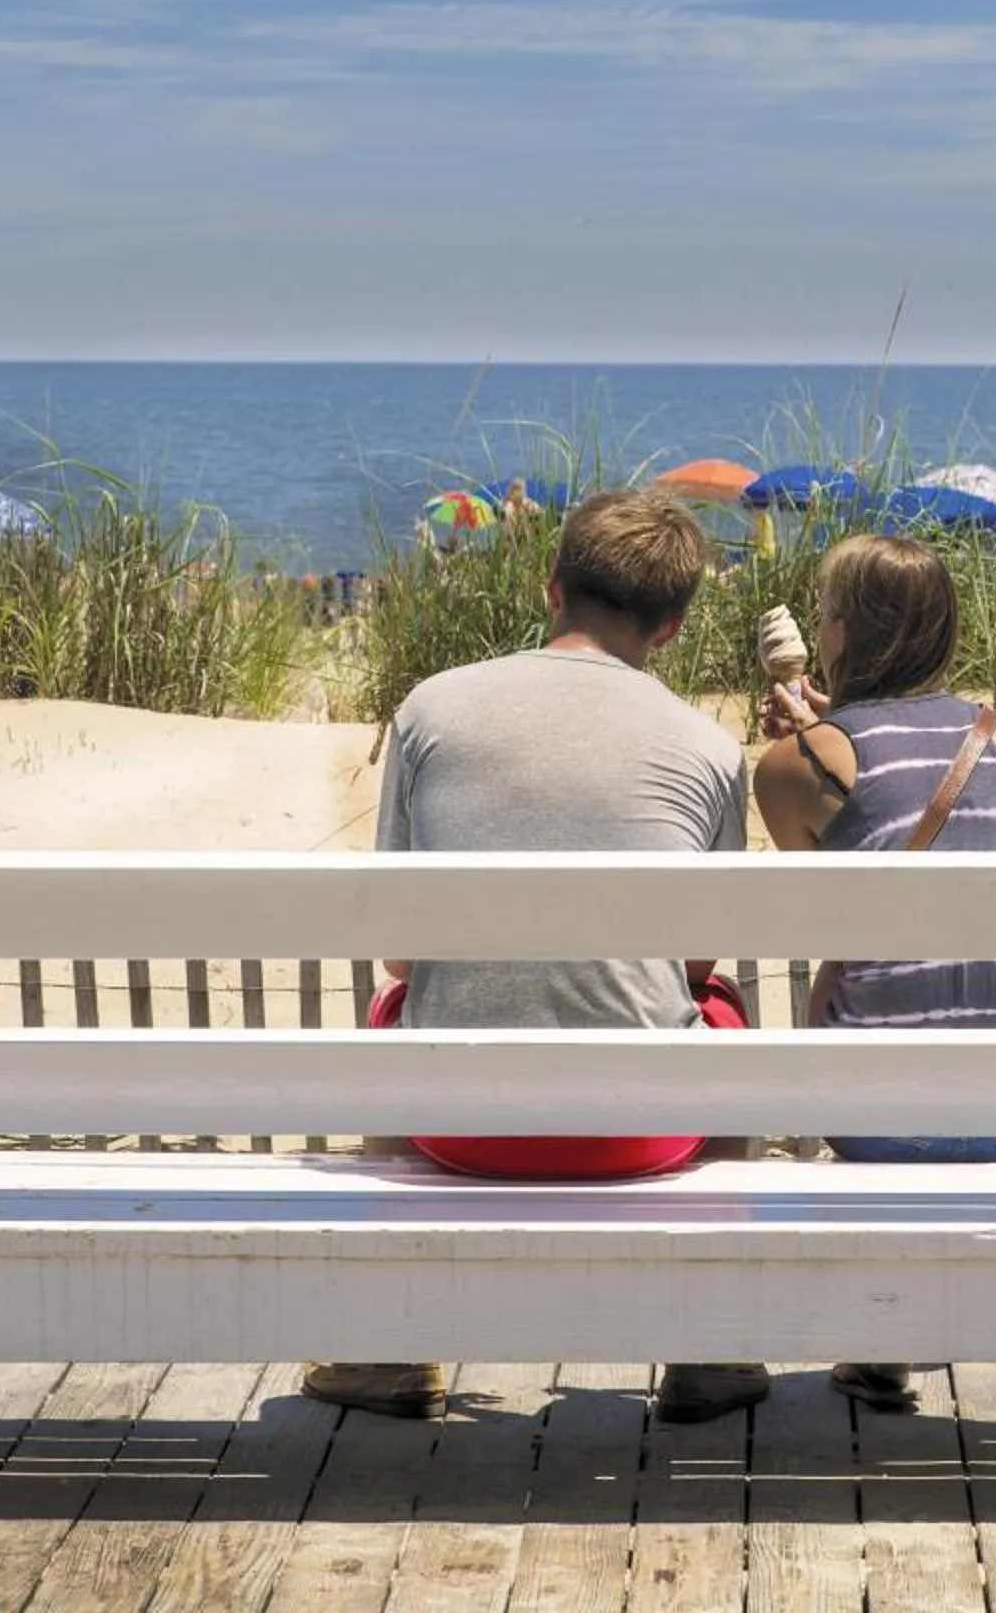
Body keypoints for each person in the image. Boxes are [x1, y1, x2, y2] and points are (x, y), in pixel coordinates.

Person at [303, 489, 770, 1427]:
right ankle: (713, 1349)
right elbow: (689, 970)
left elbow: (399, 952)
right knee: (725, 1018)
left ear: (550, 586)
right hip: (640, 1135)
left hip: (458, 1125)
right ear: (673, 628)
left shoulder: (434, 710)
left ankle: (386, 1348)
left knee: (395, 1019)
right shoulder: (711, 750)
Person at [751, 533, 996, 1415]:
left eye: (824, 616)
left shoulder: (798, 765)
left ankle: (881, 1331)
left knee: (846, 987)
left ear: (844, 632)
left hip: (886, 1125)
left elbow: (841, 926)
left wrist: (817, 735)